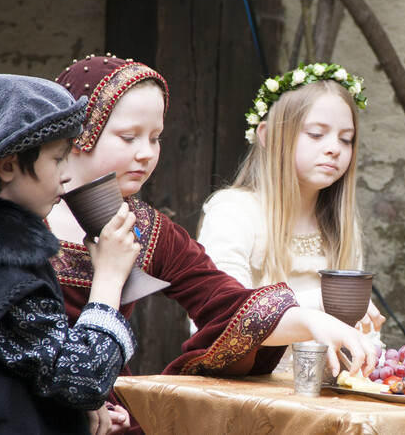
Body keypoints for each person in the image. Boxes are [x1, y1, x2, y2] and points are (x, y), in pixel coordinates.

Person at [47, 54, 378, 434]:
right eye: (128, 137)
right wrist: (82, 405)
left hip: (109, 410)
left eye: (155, 138)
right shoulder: (17, 220)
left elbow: (223, 300)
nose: (146, 153)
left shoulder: (150, 229)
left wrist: (311, 319)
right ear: (79, 131)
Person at [197, 62, 385, 372]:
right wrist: (325, 304)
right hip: (246, 397)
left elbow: (363, 333)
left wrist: (372, 357)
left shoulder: (341, 228)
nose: (334, 149)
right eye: (316, 134)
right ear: (269, 136)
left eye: (346, 139)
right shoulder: (234, 213)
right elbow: (219, 320)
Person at [0, 74, 140, 434]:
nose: (67, 176)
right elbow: (83, 376)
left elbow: (29, 365)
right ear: (7, 165)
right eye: (58, 159)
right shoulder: (1, 265)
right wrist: (109, 277)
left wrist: (71, 411)